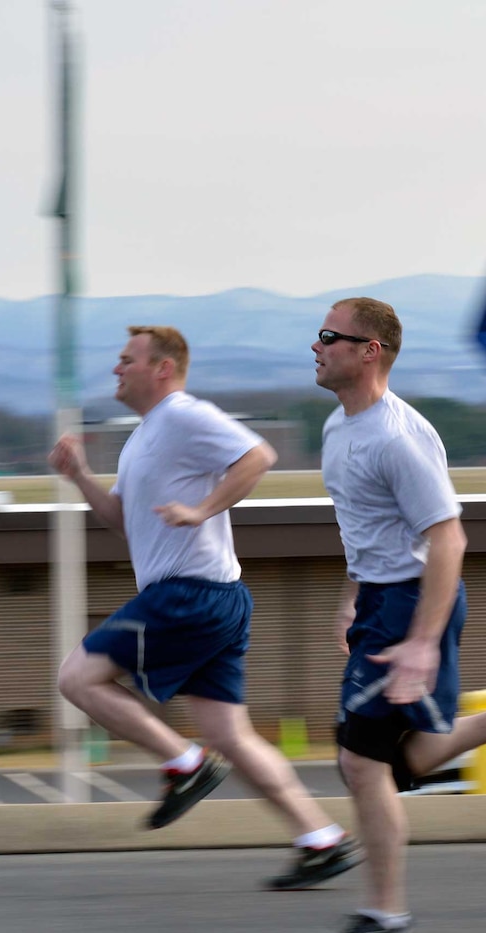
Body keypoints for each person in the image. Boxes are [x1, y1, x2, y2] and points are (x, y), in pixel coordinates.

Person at [311, 297, 486, 933]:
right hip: (382, 599)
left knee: (360, 758)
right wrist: (354, 597)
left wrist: (421, 643)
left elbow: (449, 539)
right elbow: (368, 526)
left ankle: (385, 916)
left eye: (329, 336)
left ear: (369, 350)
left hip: (413, 602)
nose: (315, 347)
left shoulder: (397, 437)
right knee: (392, 759)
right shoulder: (338, 427)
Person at [51, 325, 360, 891]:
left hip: (188, 594)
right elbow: (124, 521)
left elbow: (257, 455)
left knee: (77, 677)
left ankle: (182, 763)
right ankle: (321, 838)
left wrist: (202, 509)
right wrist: (79, 478)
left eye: (127, 360)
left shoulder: (182, 415)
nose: (116, 369)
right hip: (216, 597)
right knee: (231, 736)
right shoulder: (144, 435)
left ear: (162, 368)